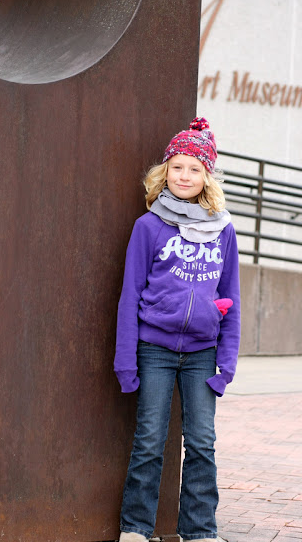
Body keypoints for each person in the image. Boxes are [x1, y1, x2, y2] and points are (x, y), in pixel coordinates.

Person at [114, 116, 241, 542]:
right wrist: (125, 361)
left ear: (207, 177)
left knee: (202, 443)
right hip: (155, 349)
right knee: (150, 440)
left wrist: (226, 362)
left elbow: (231, 297)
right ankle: (136, 528)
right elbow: (130, 295)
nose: (184, 176)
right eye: (177, 167)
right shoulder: (148, 226)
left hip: (204, 353)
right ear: (164, 172)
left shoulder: (223, 230)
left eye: (194, 169)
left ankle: (200, 530)